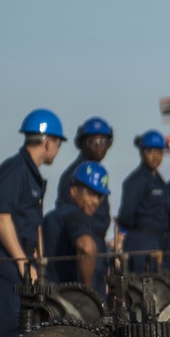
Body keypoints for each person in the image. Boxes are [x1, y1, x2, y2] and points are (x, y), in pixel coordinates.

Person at [0, 109, 65, 337]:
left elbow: (34, 223)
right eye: (58, 143)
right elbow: (1, 218)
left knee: (26, 334)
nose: (58, 150)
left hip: (23, 263)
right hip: (7, 262)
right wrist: (21, 262)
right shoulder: (15, 170)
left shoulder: (31, 174)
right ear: (49, 141)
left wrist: (38, 262)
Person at [56, 116, 114, 292]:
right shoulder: (74, 177)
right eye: (93, 141)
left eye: (103, 141)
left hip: (98, 249)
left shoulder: (98, 174)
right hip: (83, 252)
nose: (99, 146)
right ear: (81, 143)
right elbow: (70, 221)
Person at [43, 161, 110, 295]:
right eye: (90, 194)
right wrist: (88, 294)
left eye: (99, 196)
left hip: (51, 298)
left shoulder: (51, 217)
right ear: (73, 191)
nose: (96, 201)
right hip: (75, 304)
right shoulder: (75, 216)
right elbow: (86, 248)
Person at [116, 130, 170, 273]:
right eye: (150, 151)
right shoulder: (135, 181)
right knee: (142, 286)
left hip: (158, 240)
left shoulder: (160, 181)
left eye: (159, 151)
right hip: (141, 241)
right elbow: (125, 215)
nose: (156, 156)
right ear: (142, 152)